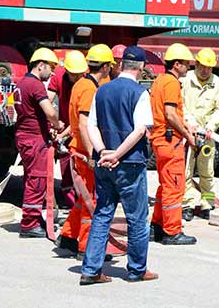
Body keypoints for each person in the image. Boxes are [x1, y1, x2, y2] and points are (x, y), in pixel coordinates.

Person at [80, 46, 157, 285]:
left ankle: (91, 270)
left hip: (104, 163)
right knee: (136, 218)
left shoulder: (101, 91)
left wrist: (103, 151)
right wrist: (118, 154)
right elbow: (140, 130)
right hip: (130, 164)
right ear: (141, 68)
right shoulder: (140, 93)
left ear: (121, 64)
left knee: (103, 214)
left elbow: (90, 125)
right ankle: (137, 269)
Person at [57, 44, 120, 259]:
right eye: (110, 66)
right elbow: (84, 125)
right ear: (104, 67)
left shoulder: (82, 84)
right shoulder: (89, 89)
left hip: (79, 150)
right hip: (84, 152)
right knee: (91, 200)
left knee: (83, 198)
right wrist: (95, 154)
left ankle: (68, 236)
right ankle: (86, 247)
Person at [149, 43, 198, 245]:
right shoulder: (171, 83)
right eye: (186, 64)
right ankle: (171, 231)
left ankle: (158, 226)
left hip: (161, 140)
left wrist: (184, 125)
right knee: (175, 187)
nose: (188, 67)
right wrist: (187, 134)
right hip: (170, 141)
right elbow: (170, 114)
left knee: (165, 185)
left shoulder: (160, 80)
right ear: (177, 64)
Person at [14, 47, 65, 238]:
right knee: (37, 180)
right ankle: (29, 224)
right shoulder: (35, 85)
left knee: (31, 178)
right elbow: (49, 111)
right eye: (50, 68)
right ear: (40, 65)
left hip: (26, 136)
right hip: (34, 139)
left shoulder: (21, 83)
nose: (52, 73)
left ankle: (33, 218)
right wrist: (57, 123)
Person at [181, 47, 219, 220]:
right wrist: (191, 125)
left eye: (209, 68)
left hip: (207, 137)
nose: (205, 70)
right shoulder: (186, 80)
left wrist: (210, 126)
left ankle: (207, 204)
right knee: (186, 171)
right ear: (196, 64)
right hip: (188, 134)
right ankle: (188, 204)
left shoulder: (218, 84)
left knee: (207, 172)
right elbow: (181, 104)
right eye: (202, 66)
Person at [47, 50, 88, 209]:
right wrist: (52, 123)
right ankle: (71, 203)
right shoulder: (58, 77)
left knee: (81, 169)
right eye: (74, 75)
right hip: (65, 125)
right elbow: (47, 100)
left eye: (80, 74)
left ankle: (82, 202)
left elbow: (80, 119)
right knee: (66, 166)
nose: (77, 78)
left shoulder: (86, 83)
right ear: (67, 71)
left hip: (79, 128)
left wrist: (62, 134)